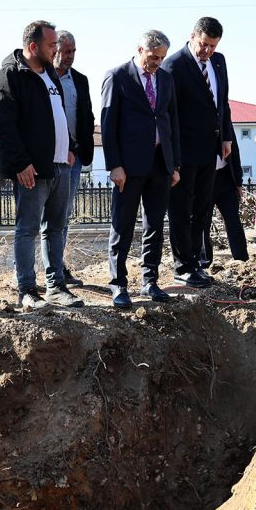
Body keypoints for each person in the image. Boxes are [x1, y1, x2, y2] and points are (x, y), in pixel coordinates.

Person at [0, 20, 82, 311]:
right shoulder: (10, 76)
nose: (56, 49)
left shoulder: (50, 74)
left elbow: (57, 115)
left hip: (60, 165)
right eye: (51, 45)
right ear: (33, 46)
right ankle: (27, 290)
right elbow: (4, 125)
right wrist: (21, 163)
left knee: (55, 228)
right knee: (28, 229)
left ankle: (56, 287)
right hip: (32, 169)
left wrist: (71, 147)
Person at [100, 30, 182, 308]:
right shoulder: (117, 76)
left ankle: (150, 281)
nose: (157, 62)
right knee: (122, 225)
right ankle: (118, 284)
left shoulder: (166, 79)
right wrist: (115, 165)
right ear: (139, 50)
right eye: (153, 57)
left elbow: (172, 122)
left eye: (162, 58)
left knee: (155, 226)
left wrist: (174, 164)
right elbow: (108, 125)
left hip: (160, 163)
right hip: (129, 166)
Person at [161, 17, 234, 289]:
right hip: (184, 151)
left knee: (202, 208)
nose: (207, 51)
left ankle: (195, 263)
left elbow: (222, 103)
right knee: (182, 210)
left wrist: (226, 136)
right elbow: (169, 114)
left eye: (213, 46)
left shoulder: (218, 62)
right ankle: (182, 266)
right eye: (204, 45)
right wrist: (173, 158)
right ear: (192, 36)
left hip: (210, 150)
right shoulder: (174, 65)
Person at [52, 30, 95, 286]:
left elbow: (86, 114)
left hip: (73, 158)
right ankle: (25, 269)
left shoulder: (80, 80)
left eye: (74, 51)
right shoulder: (42, 77)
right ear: (53, 50)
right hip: (47, 158)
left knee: (63, 214)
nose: (71, 56)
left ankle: (58, 266)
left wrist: (80, 145)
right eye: (66, 51)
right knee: (37, 217)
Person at [200, 134, 249, 266]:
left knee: (233, 219)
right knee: (203, 222)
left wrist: (238, 182)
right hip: (203, 177)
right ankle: (204, 261)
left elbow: (235, 151)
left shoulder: (225, 124)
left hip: (225, 177)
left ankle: (241, 258)